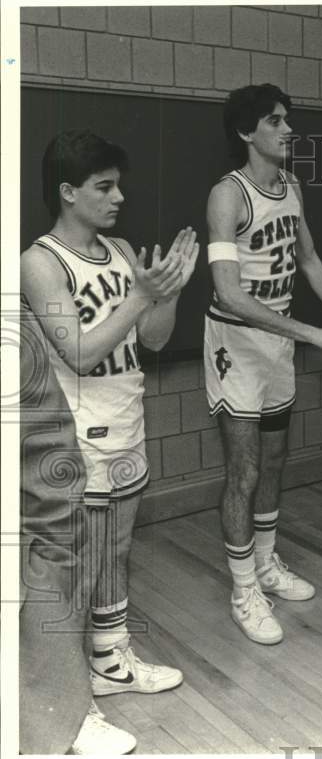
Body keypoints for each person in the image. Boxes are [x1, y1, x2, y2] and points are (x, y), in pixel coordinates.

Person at [20, 130, 197, 721]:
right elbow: (79, 353)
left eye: (119, 184)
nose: (119, 196)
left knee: (116, 548)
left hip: (127, 417)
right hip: (76, 433)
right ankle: (67, 696)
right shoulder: (40, 262)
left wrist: (166, 293)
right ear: (68, 192)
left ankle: (110, 661)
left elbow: (153, 339)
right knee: (79, 560)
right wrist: (138, 296)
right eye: (105, 186)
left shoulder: (121, 253)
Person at [204, 84, 322, 644]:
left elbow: (309, 259)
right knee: (244, 469)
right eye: (275, 121)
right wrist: (312, 332)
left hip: (276, 341)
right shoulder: (228, 196)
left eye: (288, 120)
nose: (288, 129)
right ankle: (243, 587)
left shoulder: (291, 185)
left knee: (275, 459)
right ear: (247, 132)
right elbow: (228, 293)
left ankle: (268, 564)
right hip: (236, 343)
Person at [19, 301, 136, 755]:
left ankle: (64, 700)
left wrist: (152, 294)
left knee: (85, 535)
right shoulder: (39, 264)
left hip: (103, 427)